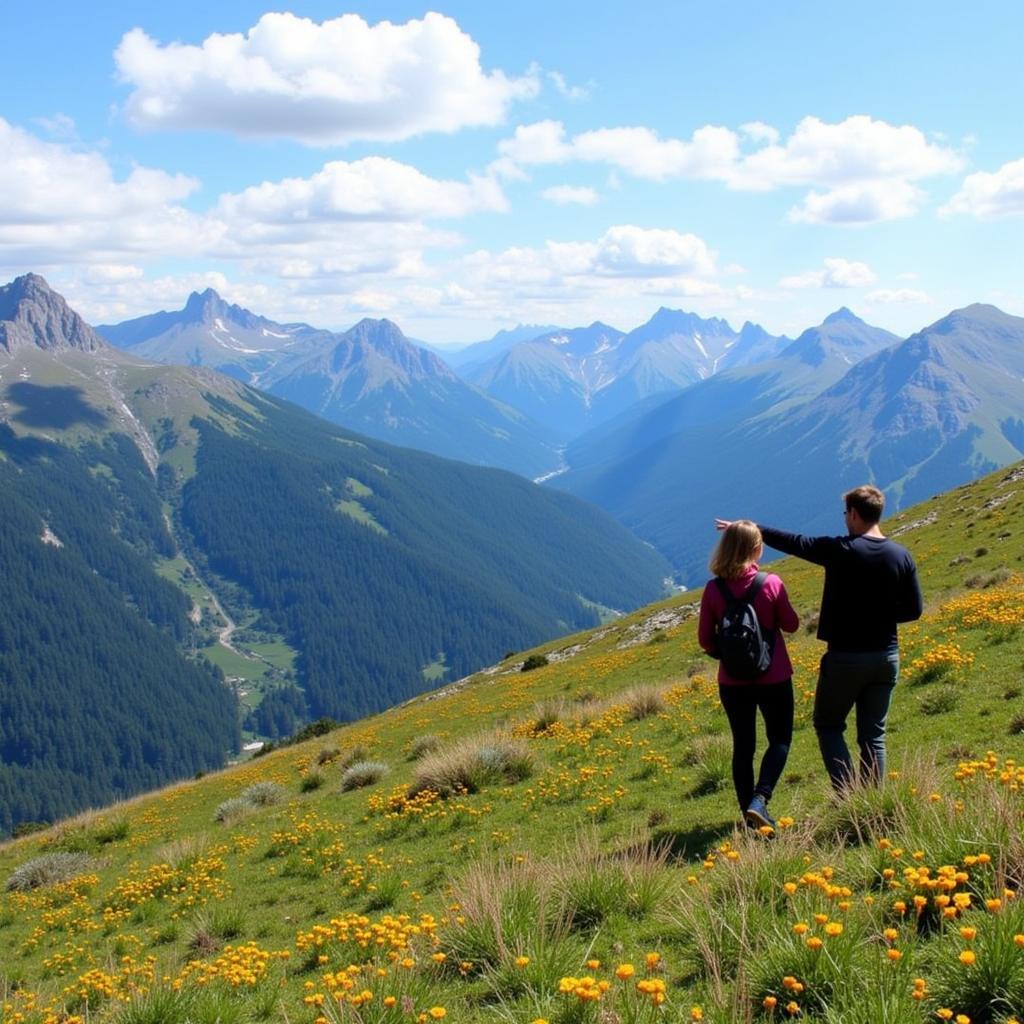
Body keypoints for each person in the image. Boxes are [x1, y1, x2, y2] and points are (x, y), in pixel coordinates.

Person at [716, 484, 923, 792]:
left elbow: (797, 543)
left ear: (853, 513)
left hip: (845, 658)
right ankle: (873, 805)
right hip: (886, 657)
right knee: (873, 736)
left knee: (829, 726)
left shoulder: (840, 550)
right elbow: (914, 610)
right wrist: (879, 618)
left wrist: (751, 529)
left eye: (845, 514)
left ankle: (848, 798)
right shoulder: (901, 555)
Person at [698, 520, 799, 830]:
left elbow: (704, 640)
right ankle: (761, 799)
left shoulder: (713, 589)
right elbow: (792, 624)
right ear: (756, 549)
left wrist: (728, 655)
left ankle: (749, 819)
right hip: (775, 676)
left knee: (744, 746)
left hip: (732, 682)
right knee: (779, 739)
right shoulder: (771, 583)